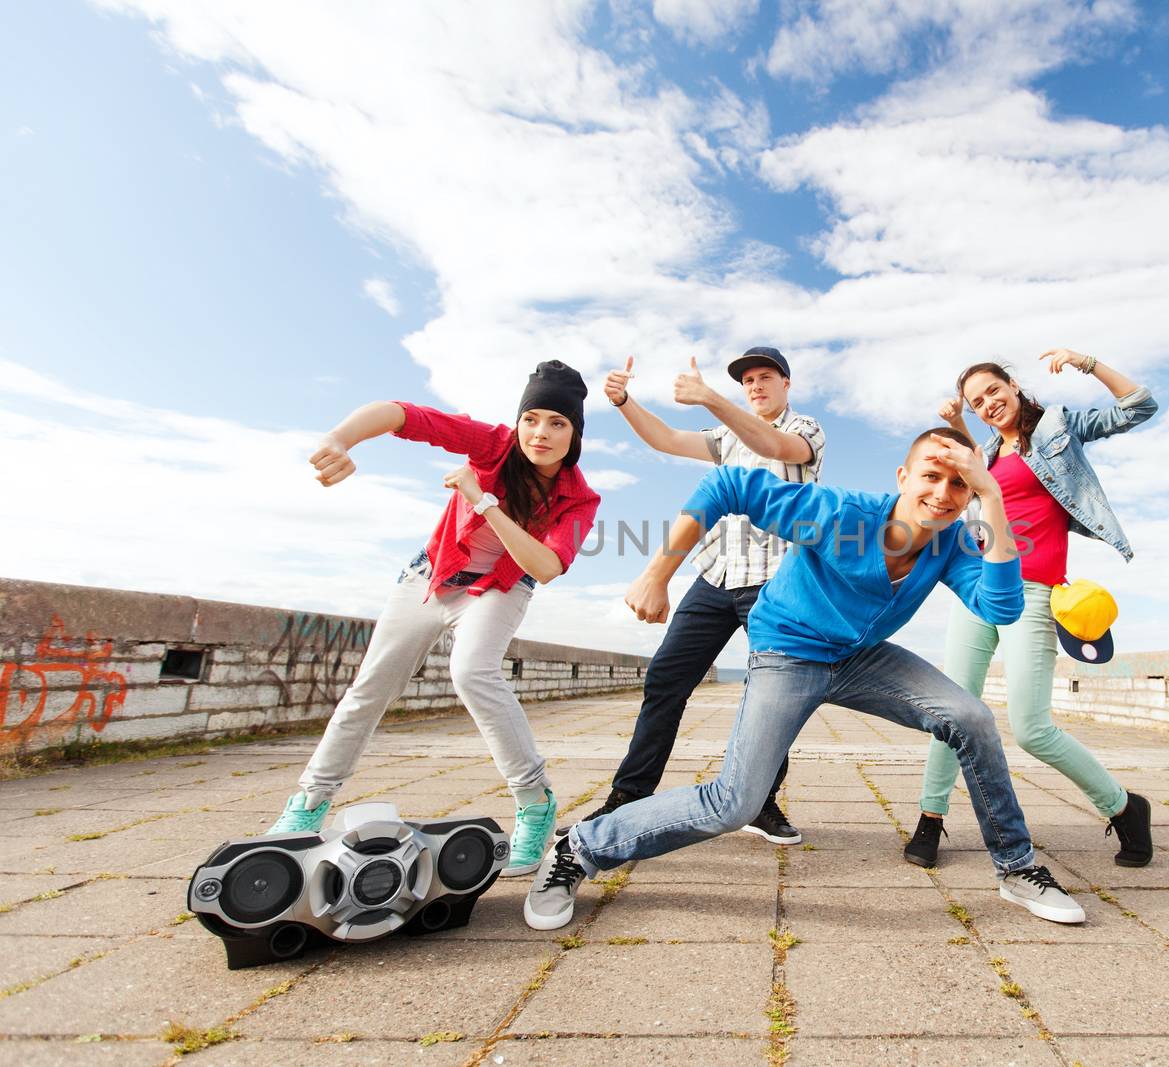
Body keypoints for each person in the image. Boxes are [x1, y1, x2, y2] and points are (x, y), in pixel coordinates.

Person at [524, 428, 1089, 931]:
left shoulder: (954, 541)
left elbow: (1001, 608)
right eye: (931, 477)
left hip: (860, 655)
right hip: (789, 651)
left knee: (971, 717)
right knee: (735, 803)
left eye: (959, 485)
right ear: (903, 477)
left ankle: (1017, 868)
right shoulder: (841, 513)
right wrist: (656, 573)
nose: (943, 495)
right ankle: (581, 849)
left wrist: (992, 497)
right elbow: (727, 486)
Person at [267, 362, 601, 879]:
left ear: (575, 432)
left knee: (472, 673)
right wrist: (339, 439)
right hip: (432, 577)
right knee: (372, 685)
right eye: (531, 418)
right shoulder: (491, 444)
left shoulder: (578, 497)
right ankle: (309, 801)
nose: (541, 433)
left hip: (501, 587)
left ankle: (535, 805)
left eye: (558, 423)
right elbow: (401, 414)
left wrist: (484, 501)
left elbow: (546, 566)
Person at [904, 348, 1157, 871]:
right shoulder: (991, 455)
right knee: (951, 709)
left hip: (1036, 591)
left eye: (994, 391)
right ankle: (930, 818)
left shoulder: (1059, 429)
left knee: (1031, 727)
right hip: (979, 587)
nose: (988, 404)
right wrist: (955, 427)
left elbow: (1139, 406)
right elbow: (984, 485)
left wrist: (1086, 362)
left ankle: (1125, 807)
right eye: (977, 403)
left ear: (1013, 385)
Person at [575, 347, 825, 845]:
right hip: (714, 576)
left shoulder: (807, 429)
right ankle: (628, 798)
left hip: (775, 582)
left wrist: (709, 398)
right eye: (747, 381)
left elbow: (777, 448)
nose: (755, 387)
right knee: (665, 681)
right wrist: (625, 402)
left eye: (765, 378)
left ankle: (760, 802)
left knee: (769, 696)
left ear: (786, 384)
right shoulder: (727, 435)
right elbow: (666, 438)